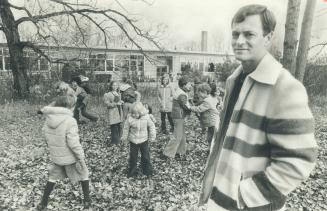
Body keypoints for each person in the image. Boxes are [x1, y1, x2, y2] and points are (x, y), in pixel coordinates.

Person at [199, 5, 318, 211]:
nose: (239, 41)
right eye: (236, 34)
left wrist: (244, 195)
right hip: (221, 198)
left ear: (268, 37)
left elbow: (299, 162)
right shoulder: (234, 80)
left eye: (249, 34)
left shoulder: (284, 87)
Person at [37, 96, 91, 210]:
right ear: (70, 107)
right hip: (70, 157)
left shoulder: (48, 119)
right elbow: (73, 143)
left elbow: (46, 137)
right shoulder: (70, 121)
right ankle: (87, 200)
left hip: (56, 156)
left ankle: (43, 202)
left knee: (52, 177)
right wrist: (80, 156)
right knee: (84, 173)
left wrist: (54, 150)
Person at [121, 102, 156, 178]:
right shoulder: (130, 118)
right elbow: (126, 128)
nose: (134, 115)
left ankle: (147, 170)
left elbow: (152, 126)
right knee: (133, 157)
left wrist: (152, 137)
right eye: (132, 113)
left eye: (135, 114)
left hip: (144, 140)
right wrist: (124, 137)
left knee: (145, 156)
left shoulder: (146, 118)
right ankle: (132, 171)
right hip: (133, 140)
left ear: (140, 112)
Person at [161, 76, 192, 160]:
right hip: (178, 116)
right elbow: (186, 105)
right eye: (189, 84)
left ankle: (180, 152)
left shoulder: (180, 91)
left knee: (182, 135)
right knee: (178, 135)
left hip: (178, 115)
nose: (190, 86)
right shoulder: (181, 94)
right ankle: (167, 153)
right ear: (183, 85)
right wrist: (193, 108)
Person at [103, 81, 124, 145]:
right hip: (113, 112)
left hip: (119, 111)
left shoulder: (118, 93)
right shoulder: (108, 94)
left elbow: (119, 101)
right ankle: (114, 142)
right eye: (114, 85)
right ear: (111, 86)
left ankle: (119, 140)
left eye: (116, 85)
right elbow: (107, 104)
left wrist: (121, 101)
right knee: (114, 126)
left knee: (119, 126)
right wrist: (116, 104)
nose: (115, 87)